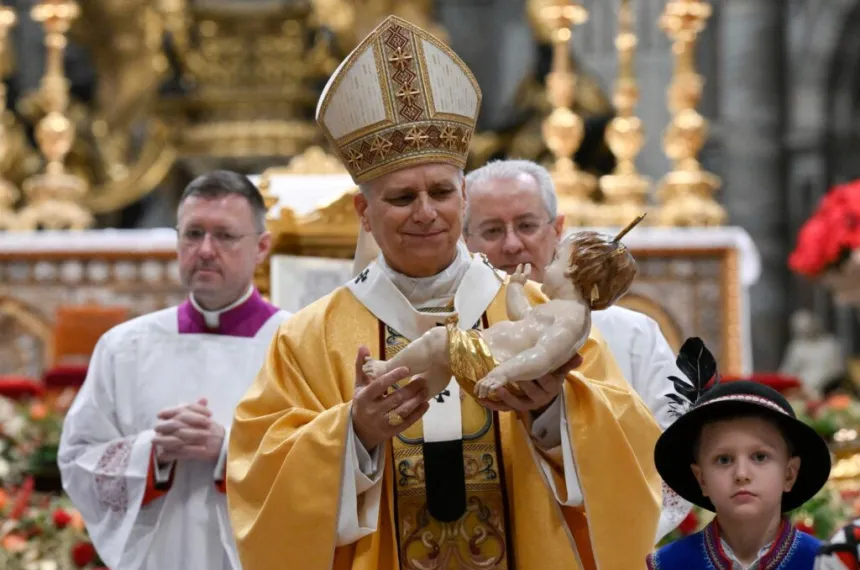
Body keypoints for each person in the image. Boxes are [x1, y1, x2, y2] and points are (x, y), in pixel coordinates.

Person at [227, 15, 663, 570]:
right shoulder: (310, 338)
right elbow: (258, 479)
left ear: (464, 198)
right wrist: (354, 433)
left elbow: (629, 449)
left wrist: (551, 410)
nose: (426, 213)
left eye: (440, 192)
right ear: (364, 211)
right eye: (401, 198)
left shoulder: (537, 311)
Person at [57, 170, 291, 570]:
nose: (205, 250)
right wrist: (153, 453)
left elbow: (324, 468)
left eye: (225, 235)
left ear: (262, 247)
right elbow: (78, 461)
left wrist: (228, 453)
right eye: (193, 234)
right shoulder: (125, 347)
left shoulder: (296, 344)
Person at [463, 158, 694, 538]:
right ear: (465, 241)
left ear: (557, 230)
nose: (512, 244)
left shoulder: (633, 334)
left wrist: (555, 419)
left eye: (526, 225)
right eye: (491, 230)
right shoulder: (453, 334)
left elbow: (678, 454)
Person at [362, 227, 639, 400]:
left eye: (556, 259)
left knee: (437, 340)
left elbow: (544, 355)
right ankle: (413, 398)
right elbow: (523, 317)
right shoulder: (560, 309)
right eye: (492, 229)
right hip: (490, 357)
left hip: (495, 364)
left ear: (574, 270)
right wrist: (515, 288)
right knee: (441, 365)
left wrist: (503, 374)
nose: (548, 266)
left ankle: (387, 369)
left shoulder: (572, 318)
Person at [647, 373, 831, 569]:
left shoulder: (824, 564)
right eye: (724, 460)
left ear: (789, 474)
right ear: (701, 479)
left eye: (760, 457)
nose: (742, 474)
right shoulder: (667, 565)